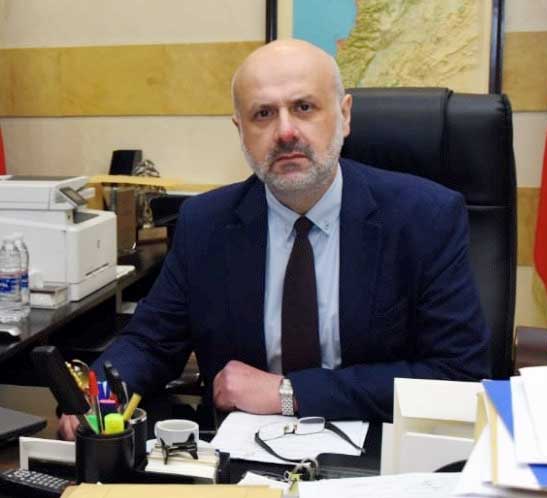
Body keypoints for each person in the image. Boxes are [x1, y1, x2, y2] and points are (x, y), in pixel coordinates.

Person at [59, 39, 490, 440]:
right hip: (241, 457)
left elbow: (458, 374)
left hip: (380, 455)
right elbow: (149, 343)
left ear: (344, 116)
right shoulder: (205, 224)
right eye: (263, 114)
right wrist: (97, 400)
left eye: (304, 107)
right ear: (240, 130)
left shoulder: (424, 218)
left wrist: (290, 393)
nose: (285, 132)